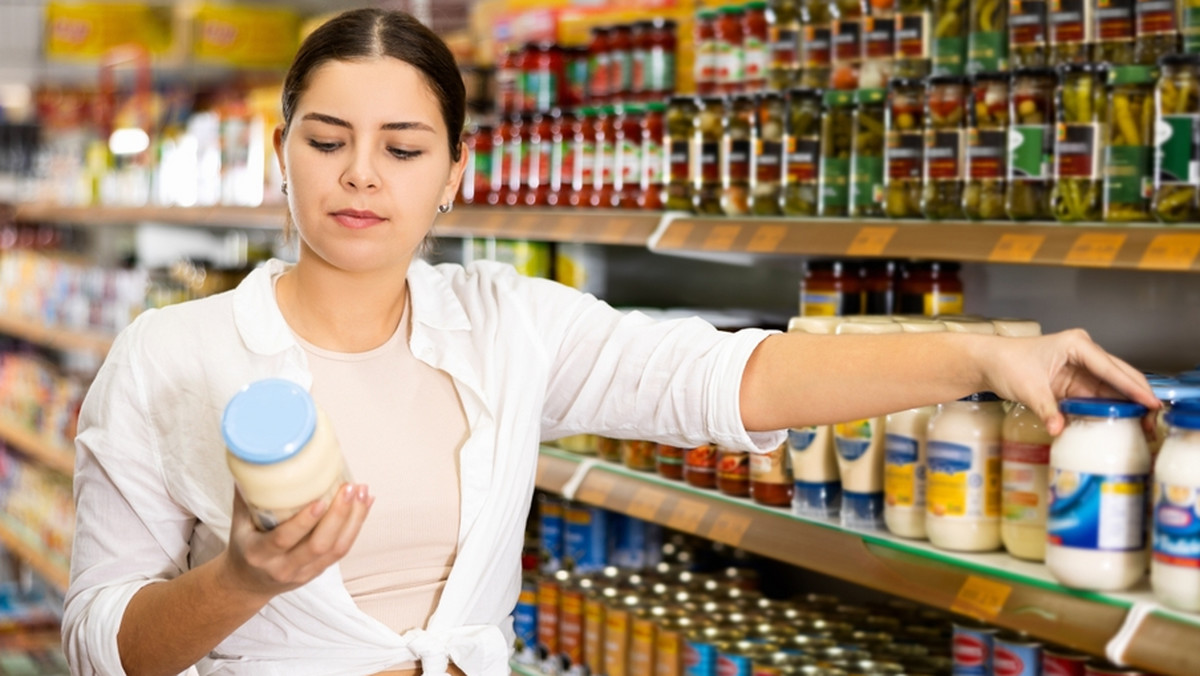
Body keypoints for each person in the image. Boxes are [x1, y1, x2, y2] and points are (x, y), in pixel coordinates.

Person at [62, 8, 1157, 676]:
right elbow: (102, 644)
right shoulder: (172, 355)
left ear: (453, 178)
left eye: (402, 146)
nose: (360, 174)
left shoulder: (505, 324)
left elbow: (734, 377)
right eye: (328, 139)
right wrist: (242, 580)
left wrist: (979, 355)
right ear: (281, 154)